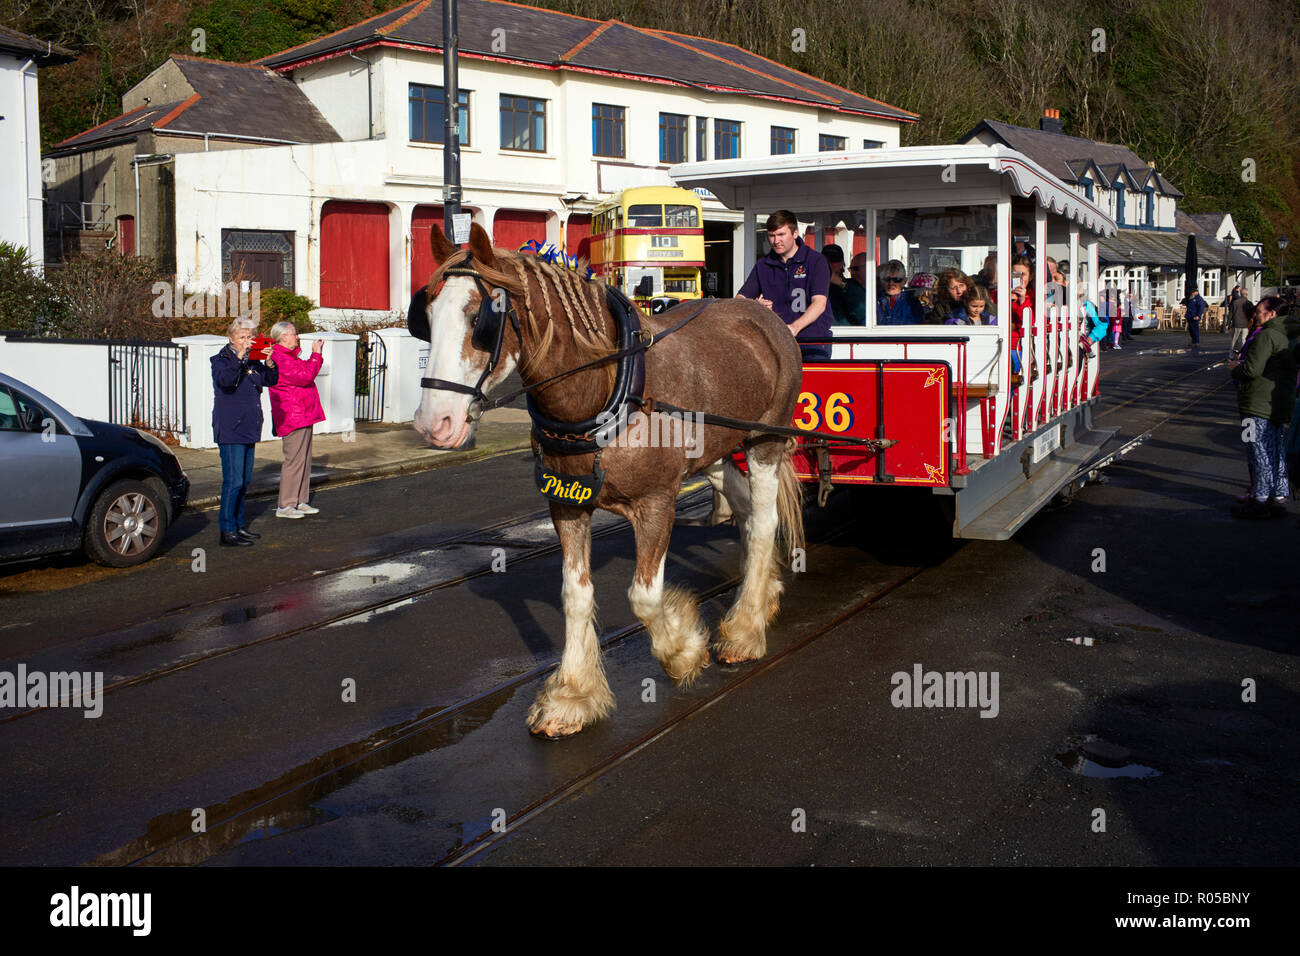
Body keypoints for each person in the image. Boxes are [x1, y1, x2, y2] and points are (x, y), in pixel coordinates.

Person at [212, 317, 278, 547]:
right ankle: (227, 530)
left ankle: (239, 526)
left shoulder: (253, 360)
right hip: (230, 428)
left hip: (249, 426)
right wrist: (240, 356)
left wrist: (269, 361)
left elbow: (270, 380)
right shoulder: (221, 359)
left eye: (250, 337)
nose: (247, 341)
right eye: (242, 337)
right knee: (233, 481)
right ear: (231, 338)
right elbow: (226, 382)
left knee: (245, 480)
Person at [1228, 296, 1295, 518]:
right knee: (1275, 450)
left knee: (1257, 450)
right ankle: (1277, 495)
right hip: (1276, 403)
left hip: (1255, 403)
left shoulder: (1266, 336)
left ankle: (1260, 498)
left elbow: (1252, 370)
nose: (1255, 314)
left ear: (1272, 314)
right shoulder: (1286, 335)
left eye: (1259, 310)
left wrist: (1235, 368)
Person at [737, 210, 831, 359]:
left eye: (781, 234)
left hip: (812, 342)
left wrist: (794, 327)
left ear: (795, 233)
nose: (775, 241)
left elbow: (819, 303)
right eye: (771, 236)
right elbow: (740, 299)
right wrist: (755, 306)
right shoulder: (764, 264)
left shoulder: (815, 261)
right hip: (776, 342)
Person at [268, 321, 326, 519]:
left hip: (302, 413)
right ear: (283, 336)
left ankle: (300, 501)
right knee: (294, 461)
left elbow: (306, 372)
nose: (297, 337)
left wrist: (312, 356)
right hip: (293, 416)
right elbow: (305, 376)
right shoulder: (279, 358)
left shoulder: (288, 356)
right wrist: (316, 354)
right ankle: (285, 505)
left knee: (304, 460)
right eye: (294, 333)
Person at [876, 259, 926, 324]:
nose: (891, 283)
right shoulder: (876, 301)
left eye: (896, 279)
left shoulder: (912, 303)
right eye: (887, 279)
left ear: (904, 281)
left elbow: (914, 328)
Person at [822, 243, 851, 325]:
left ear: (842, 263)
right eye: (826, 261)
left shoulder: (850, 286)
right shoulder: (815, 284)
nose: (830, 264)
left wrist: (841, 283)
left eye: (834, 261)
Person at [1226, 286, 1255, 360]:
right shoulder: (1249, 303)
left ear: (1240, 294)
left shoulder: (1235, 302)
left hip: (1236, 323)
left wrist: (1228, 324)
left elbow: (1231, 314)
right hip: (1245, 324)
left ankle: (1231, 356)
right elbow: (1252, 314)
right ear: (1246, 295)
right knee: (1244, 340)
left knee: (1234, 340)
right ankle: (1243, 354)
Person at [843, 253, 868, 325]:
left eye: (856, 269)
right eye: (851, 269)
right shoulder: (847, 287)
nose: (853, 273)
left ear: (870, 267)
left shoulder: (883, 288)